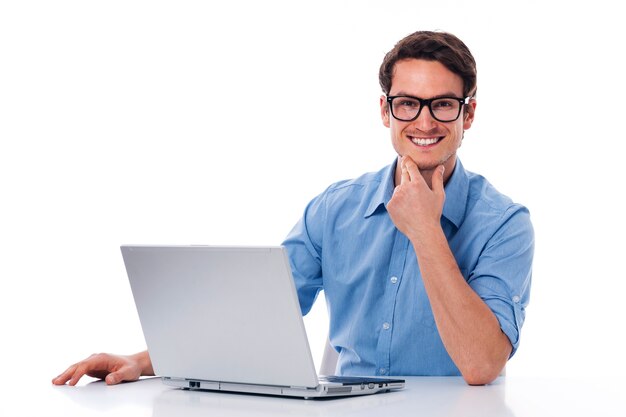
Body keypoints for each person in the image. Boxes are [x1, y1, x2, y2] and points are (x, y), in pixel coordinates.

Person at [52, 30, 533, 387]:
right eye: (408, 103)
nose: (424, 121)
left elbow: (481, 364)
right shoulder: (334, 210)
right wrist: (143, 361)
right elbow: (254, 314)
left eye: (443, 104)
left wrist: (425, 230)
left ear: (468, 113)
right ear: (385, 111)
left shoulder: (505, 225)